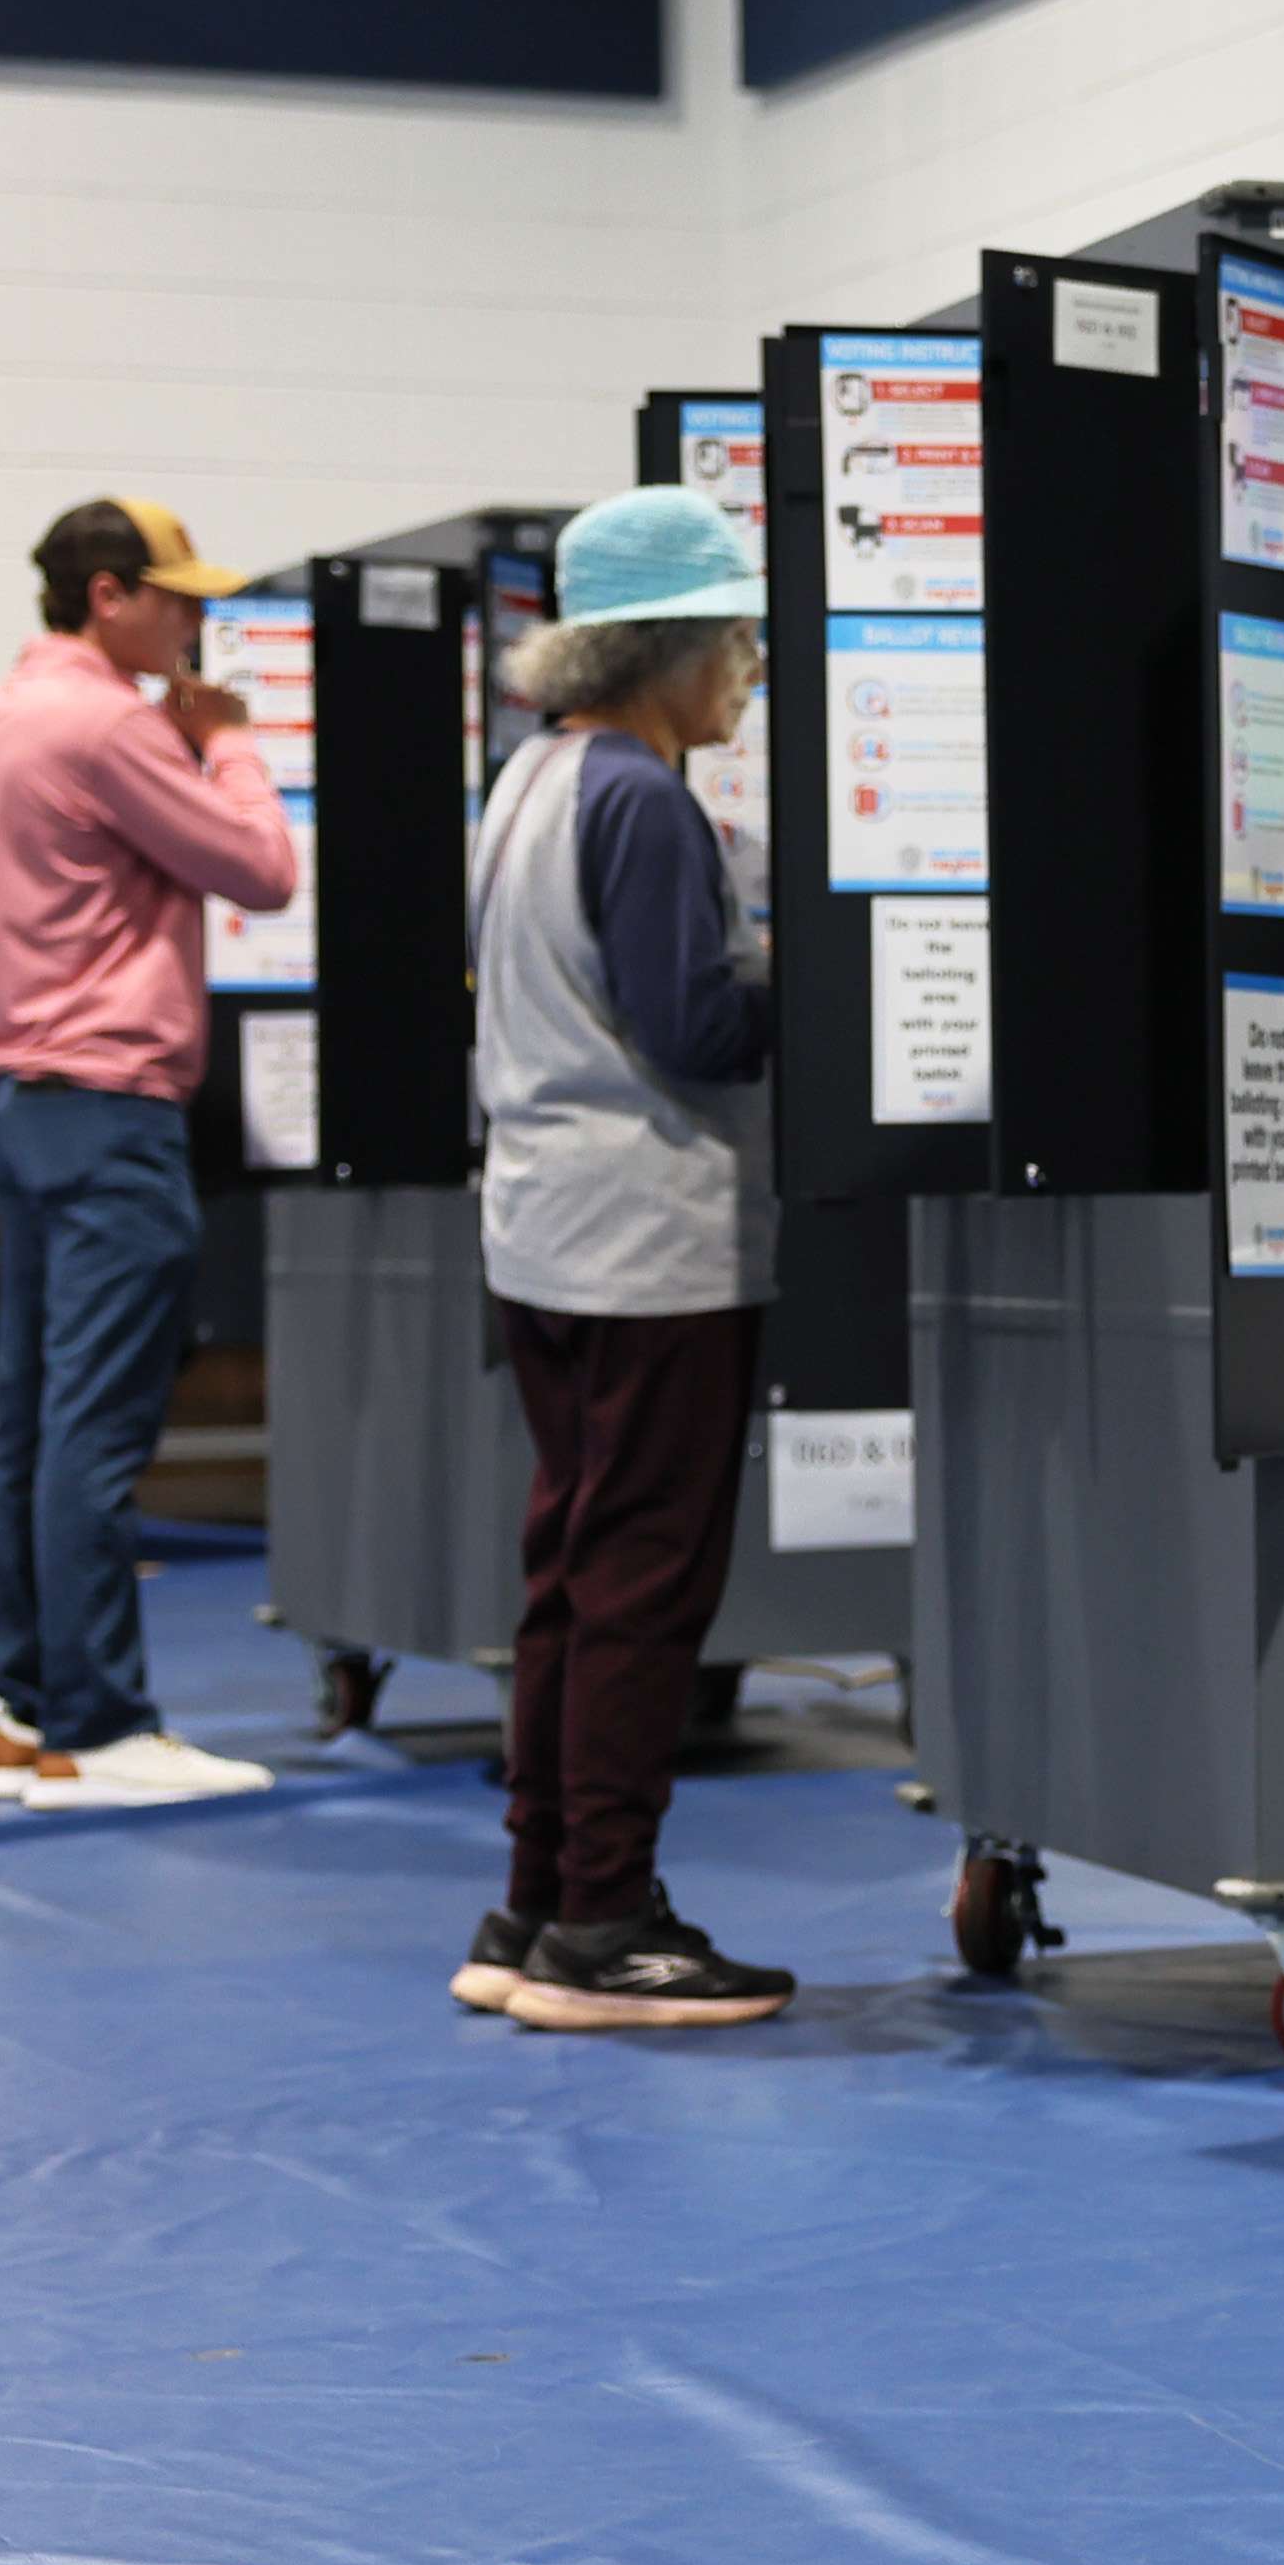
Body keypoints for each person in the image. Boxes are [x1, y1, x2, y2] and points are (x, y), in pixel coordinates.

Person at [455, 487, 796, 2030]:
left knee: (571, 1574)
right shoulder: (644, 800)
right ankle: (609, 1924)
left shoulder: (531, 779)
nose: (748, 665)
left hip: (541, 1232)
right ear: (657, 647)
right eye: (732, 635)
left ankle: (536, 1902)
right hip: (652, 1245)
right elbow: (697, 1028)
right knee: (646, 1584)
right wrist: (826, 966)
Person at [0, 500, 296, 1810]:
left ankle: (27, 1720)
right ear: (108, 595)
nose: (196, 621)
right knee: (93, 1428)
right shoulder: (109, 725)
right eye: (177, 597)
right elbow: (259, 870)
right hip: (107, 1108)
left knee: (31, 1425)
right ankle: (99, 1728)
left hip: (17, 1100)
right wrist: (230, 749)